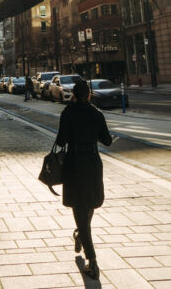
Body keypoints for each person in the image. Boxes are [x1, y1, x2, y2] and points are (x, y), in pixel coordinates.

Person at [56, 79, 112, 279]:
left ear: (74, 95)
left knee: (79, 208)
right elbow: (107, 140)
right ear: (89, 95)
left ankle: (92, 260)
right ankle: (81, 236)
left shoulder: (68, 113)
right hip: (93, 163)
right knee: (89, 205)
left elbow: (61, 140)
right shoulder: (97, 114)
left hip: (74, 164)